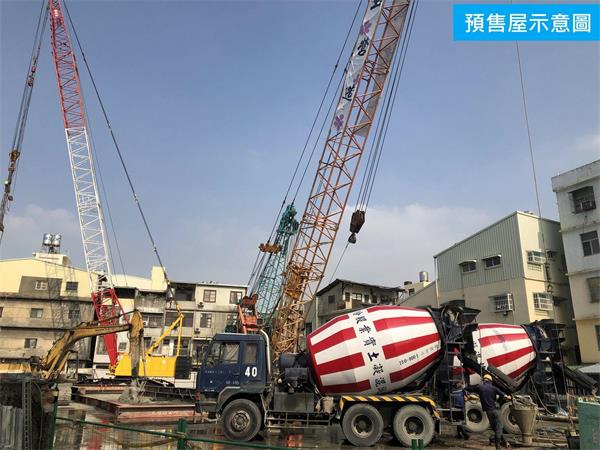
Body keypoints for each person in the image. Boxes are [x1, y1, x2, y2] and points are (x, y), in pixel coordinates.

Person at [466, 373, 510, 450]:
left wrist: (465, 391)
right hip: (495, 410)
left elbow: (469, 388)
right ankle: (498, 447)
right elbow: (504, 396)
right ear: (490, 381)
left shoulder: (479, 387)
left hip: (488, 412)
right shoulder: (494, 388)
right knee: (499, 428)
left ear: (484, 380)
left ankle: (504, 442)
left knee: (495, 428)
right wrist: (509, 397)